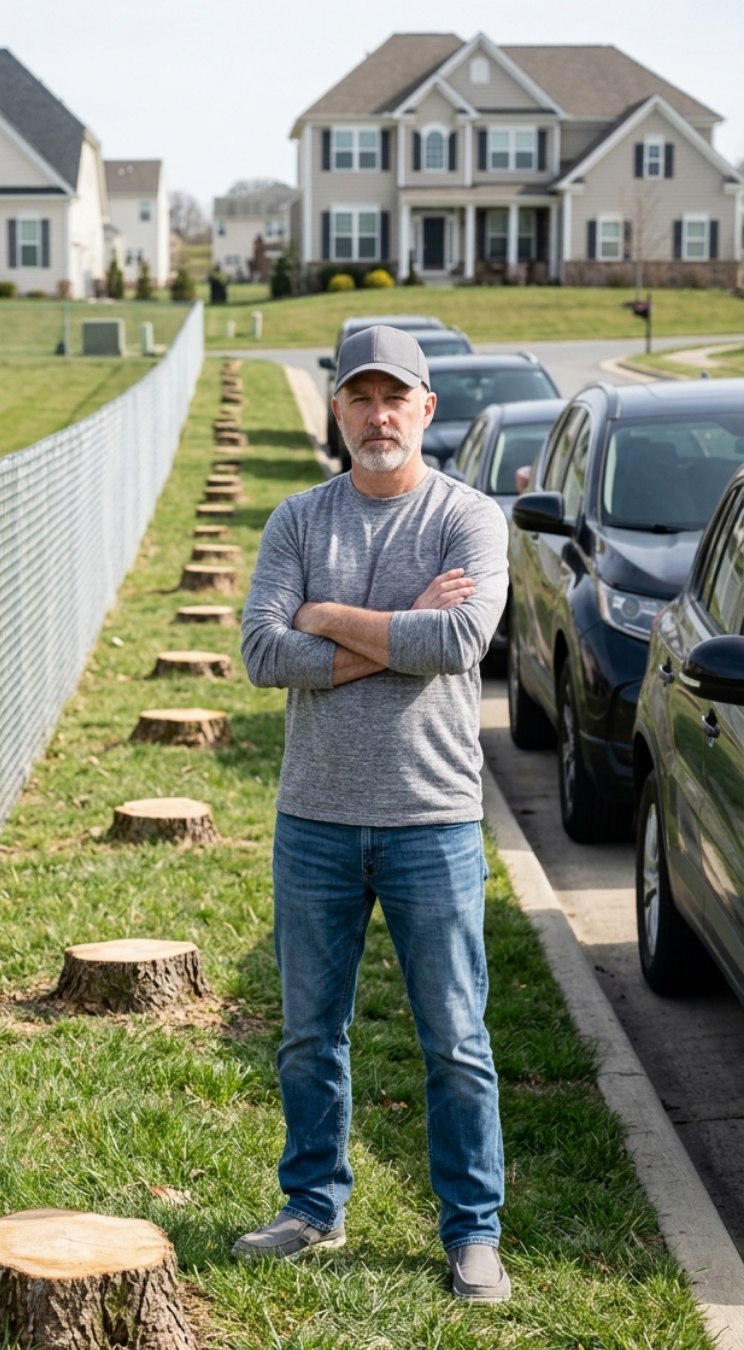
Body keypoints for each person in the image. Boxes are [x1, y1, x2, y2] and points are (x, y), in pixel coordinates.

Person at [238, 325, 511, 1302]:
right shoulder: (298, 522)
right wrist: (401, 629)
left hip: (431, 818)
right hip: (314, 817)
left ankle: (473, 1231)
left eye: (396, 396)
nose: (378, 414)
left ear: (427, 409)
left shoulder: (469, 519)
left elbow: (465, 635)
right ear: (337, 410)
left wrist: (327, 618)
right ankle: (313, 1206)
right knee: (311, 1034)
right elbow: (264, 655)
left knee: (456, 1040)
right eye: (360, 396)